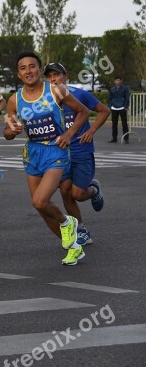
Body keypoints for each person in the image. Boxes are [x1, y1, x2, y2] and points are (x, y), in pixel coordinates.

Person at [3, 52, 90, 267]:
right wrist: (11, 131)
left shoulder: (56, 90)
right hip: (33, 153)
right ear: (18, 73)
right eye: (23, 68)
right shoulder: (15, 99)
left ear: (39, 70)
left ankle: (67, 221)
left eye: (32, 66)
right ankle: (73, 247)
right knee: (41, 209)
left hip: (55, 150)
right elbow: (7, 129)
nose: (28, 71)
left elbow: (84, 111)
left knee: (40, 200)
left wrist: (69, 135)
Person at [44, 62, 109, 246]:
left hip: (81, 150)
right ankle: (81, 229)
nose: (53, 79)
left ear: (66, 76)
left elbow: (104, 111)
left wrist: (91, 131)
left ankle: (93, 190)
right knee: (65, 192)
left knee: (78, 194)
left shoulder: (78, 94)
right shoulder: (46, 99)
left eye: (57, 74)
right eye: (49, 76)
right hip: (61, 153)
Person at [108, 76, 130, 143]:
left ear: (121, 81)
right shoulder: (112, 89)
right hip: (114, 107)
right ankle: (114, 138)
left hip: (122, 107)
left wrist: (125, 106)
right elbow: (109, 98)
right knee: (114, 124)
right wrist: (110, 105)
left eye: (118, 80)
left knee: (124, 124)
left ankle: (126, 139)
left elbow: (127, 97)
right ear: (114, 81)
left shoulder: (125, 88)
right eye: (116, 80)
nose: (117, 82)